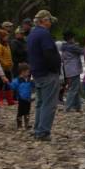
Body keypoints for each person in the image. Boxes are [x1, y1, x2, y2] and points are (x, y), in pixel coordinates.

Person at [26, 9, 61, 141]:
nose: (51, 23)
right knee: (49, 103)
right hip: (48, 73)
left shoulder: (32, 34)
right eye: (49, 20)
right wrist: (56, 68)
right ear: (44, 21)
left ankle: (37, 128)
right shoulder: (44, 34)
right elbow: (49, 54)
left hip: (37, 72)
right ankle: (43, 131)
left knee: (40, 103)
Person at [59, 30, 84, 112]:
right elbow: (83, 52)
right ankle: (67, 107)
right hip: (74, 70)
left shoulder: (63, 47)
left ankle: (77, 107)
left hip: (67, 70)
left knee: (75, 88)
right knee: (73, 89)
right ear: (71, 38)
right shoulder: (73, 47)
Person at [0, 29, 15, 105]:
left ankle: (10, 99)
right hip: (2, 68)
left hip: (8, 68)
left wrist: (11, 62)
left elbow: (9, 55)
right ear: (2, 37)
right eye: (6, 36)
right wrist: (5, 63)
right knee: (0, 83)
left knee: (8, 82)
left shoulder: (7, 45)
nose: (7, 38)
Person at [10, 63, 34, 129]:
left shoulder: (29, 80)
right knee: (20, 112)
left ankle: (27, 124)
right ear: (22, 72)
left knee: (27, 112)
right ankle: (19, 125)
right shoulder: (17, 80)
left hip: (28, 99)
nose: (28, 73)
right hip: (21, 99)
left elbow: (33, 85)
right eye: (27, 72)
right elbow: (12, 86)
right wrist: (8, 84)